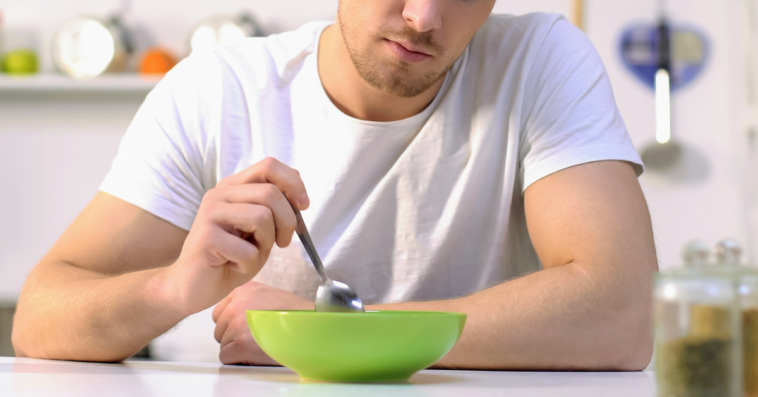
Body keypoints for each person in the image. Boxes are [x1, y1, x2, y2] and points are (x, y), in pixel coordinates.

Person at [12, 0, 657, 370]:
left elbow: (623, 314)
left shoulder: (539, 59)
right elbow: (39, 323)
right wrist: (172, 286)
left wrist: (332, 335)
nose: (424, 17)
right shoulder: (217, 90)